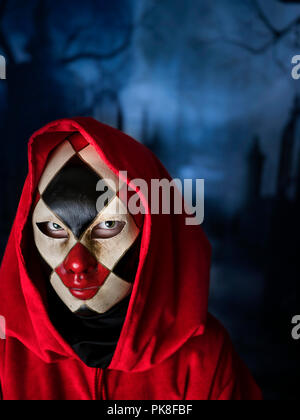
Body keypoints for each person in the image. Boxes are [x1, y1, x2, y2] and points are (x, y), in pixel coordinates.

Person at [0, 117, 262, 400]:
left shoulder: (203, 357)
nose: (76, 263)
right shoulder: (6, 350)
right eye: (53, 227)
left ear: (153, 231)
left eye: (108, 226)